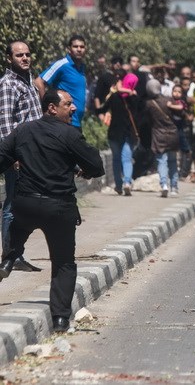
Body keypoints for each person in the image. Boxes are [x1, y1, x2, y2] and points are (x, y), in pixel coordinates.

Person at [0, 89, 104, 332]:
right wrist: (82, 167)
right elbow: (96, 166)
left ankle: (9, 258)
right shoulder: (69, 134)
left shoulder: (23, 130)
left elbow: (2, 157)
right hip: (58, 208)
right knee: (64, 263)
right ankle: (59, 320)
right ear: (51, 108)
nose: (74, 108)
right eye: (68, 104)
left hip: (26, 203)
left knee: (19, 225)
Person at [0, 40, 44, 272]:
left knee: (24, 204)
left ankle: (16, 254)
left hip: (33, 152)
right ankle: (10, 256)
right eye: (19, 55)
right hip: (18, 154)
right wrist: (14, 154)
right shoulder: (8, 84)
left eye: (27, 54)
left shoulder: (27, 81)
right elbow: (6, 123)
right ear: (9, 59)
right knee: (13, 204)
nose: (25, 58)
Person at [35, 35, 87, 130]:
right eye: (75, 46)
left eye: (82, 47)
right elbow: (39, 82)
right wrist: (45, 108)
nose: (79, 49)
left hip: (76, 122)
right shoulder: (62, 65)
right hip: (63, 122)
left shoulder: (82, 67)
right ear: (69, 49)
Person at [98, 69, 138, 196]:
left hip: (114, 132)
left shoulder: (113, 97)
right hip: (128, 132)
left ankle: (119, 186)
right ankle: (127, 182)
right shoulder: (133, 97)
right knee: (127, 159)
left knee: (116, 159)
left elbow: (101, 109)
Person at [146, 79, 179, 197]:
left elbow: (147, 121)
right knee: (173, 161)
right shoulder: (169, 100)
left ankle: (164, 184)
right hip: (172, 134)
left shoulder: (149, 104)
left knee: (161, 161)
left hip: (159, 135)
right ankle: (174, 187)